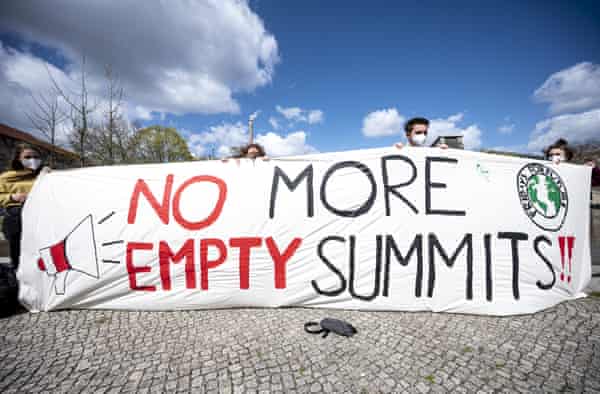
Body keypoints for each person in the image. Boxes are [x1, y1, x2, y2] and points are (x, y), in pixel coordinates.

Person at [0, 144, 44, 269]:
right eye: (27, 157)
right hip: (17, 217)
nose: (32, 160)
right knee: (20, 257)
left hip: (41, 217)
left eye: (36, 157)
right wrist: (12, 197)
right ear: (18, 159)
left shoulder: (44, 175)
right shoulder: (6, 178)